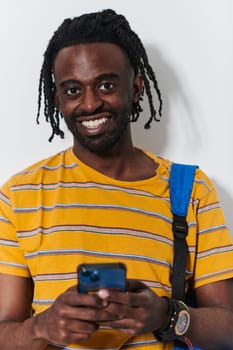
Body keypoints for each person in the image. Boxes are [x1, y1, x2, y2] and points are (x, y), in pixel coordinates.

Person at [0, 9, 232, 350]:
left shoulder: (191, 190)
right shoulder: (20, 195)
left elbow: (228, 329)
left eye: (106, 85)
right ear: (57, 100)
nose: (91, 103)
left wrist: (166, 315)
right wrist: (41, 328)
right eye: (73, 90)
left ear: (136, 86)